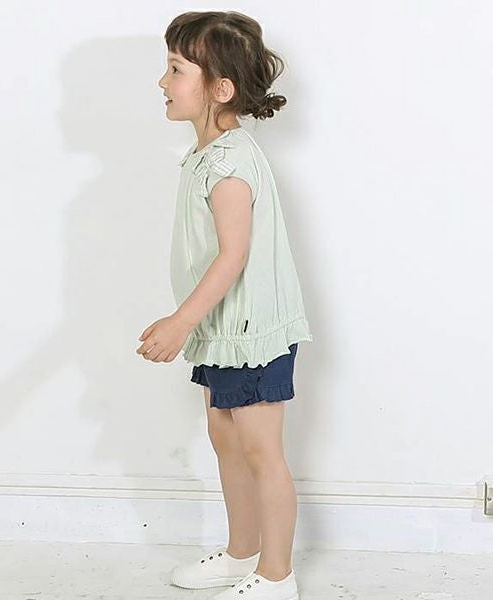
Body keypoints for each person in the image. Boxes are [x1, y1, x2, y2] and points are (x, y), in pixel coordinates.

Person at [136, 10, 312, 600]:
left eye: (175, 69)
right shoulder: (208, 154)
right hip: (224, 328)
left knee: (261, 449)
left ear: (221, 88)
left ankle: (277, 574)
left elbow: (233, 256)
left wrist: (179, 322)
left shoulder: (231, 164)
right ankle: (243, 553)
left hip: (251, 330)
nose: (162, 82)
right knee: (225, 437)